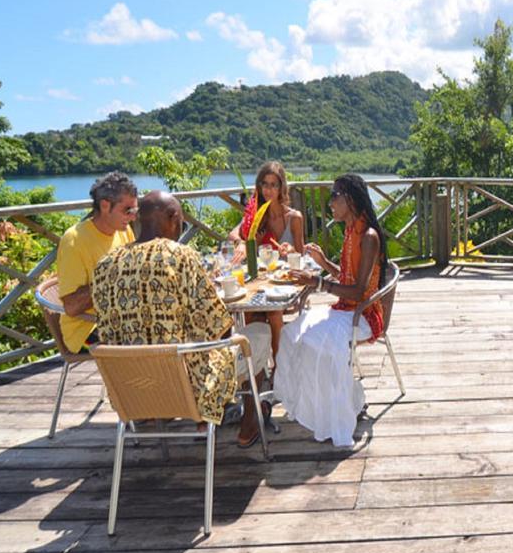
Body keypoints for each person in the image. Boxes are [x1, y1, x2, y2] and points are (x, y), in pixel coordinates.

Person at [92, 191, 273, 447]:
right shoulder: (180, 256)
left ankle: (203, 418)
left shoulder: (104, 265)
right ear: (172, 217)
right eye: (182, 223)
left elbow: (106, 331)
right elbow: (219, 328)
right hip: (187, 387)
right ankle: (248, 423)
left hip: (131, 388)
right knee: (259, 332)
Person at [275, 174, 388, 447]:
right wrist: (324, 263)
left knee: (315, 342)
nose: (330, 204)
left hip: (363, 315)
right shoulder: (351, 231)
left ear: (350, 198)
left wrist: (318, 282)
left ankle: (337, 412)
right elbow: (349, 278)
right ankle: (320, 407)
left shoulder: (368, 237)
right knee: (292, 333)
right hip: (346, 309)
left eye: (334, 196)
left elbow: (360, 291)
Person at [229, 161, 305, 356]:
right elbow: (234, 233)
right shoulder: (256, 216)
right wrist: (241, 242)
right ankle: (256, 370)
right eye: (265, 184)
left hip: (285, 285)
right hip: (260, 283)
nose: (269, 190)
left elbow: (301, 255)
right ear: (259, 187)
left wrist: (292, 251)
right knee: (248, 312)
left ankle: (279, 368)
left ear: (282, 188)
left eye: (274, 185)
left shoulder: (294, 217)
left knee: (274, 312)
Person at [56, 172, 138, 354]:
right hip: (85, 332)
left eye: (135, 211)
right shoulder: (75, 240)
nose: (132, 217)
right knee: (149, 338)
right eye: (127, 211)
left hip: (121, 318)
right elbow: (71, 307)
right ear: (105, 206)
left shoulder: (123, 231)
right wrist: (111, 280)